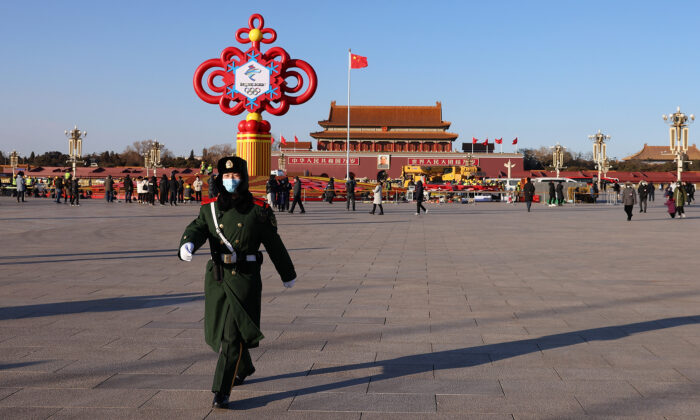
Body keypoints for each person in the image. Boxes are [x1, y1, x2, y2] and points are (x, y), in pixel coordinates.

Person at [178, 156, 297, 409]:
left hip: (245, 276)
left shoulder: (258, 210)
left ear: (243, 178)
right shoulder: (209, 208)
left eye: (235, 176)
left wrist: (287, 273)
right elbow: (198, 228)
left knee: (231, 335)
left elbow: (273, 244)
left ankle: (222, 390)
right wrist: (187, 243)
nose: (231, 181)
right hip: (218, 277)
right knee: (223, 330)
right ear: (220, 178)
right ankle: (245, 366)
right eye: (226, 177)